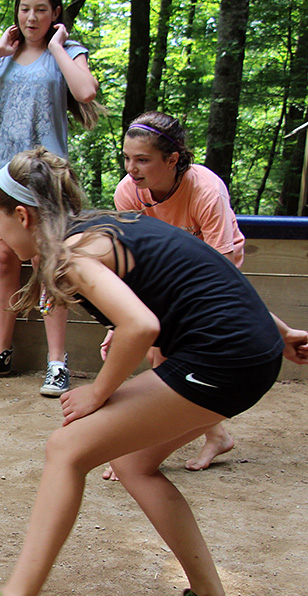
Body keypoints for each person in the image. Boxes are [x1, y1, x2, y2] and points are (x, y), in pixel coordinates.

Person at [0, 148, 307, 596]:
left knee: (68, 449)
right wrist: (277, 331)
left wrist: (97, 392)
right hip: (246, 352)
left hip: (222, 359)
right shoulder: (103, 225)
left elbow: (141, 326)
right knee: (135, 464)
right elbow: (205, 270)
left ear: (22, 216)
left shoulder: (75, 254)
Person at [0, 0, 101, 397]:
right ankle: (0, 352)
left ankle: (57, 362)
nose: (32, 18)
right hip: (3, 173)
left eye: (41, 9)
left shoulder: (69, 51)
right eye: (25, 8)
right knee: (6, 259)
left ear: (56, 13)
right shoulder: (2, 55)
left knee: (49, 263)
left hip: (46, 177)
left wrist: (60, 47)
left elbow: (86, 90)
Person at [110, 111, 244, 473]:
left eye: (142, 160)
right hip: (162, 274)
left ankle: (145, 446)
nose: (131, 168)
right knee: (160, 353)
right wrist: (117, 322)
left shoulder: (205, 190)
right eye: (126, 158)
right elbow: (133, 260)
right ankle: (214, 435)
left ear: (172, 160)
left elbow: (223, 265)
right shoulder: (128, 191)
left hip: (214, 273)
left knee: (164, 357)